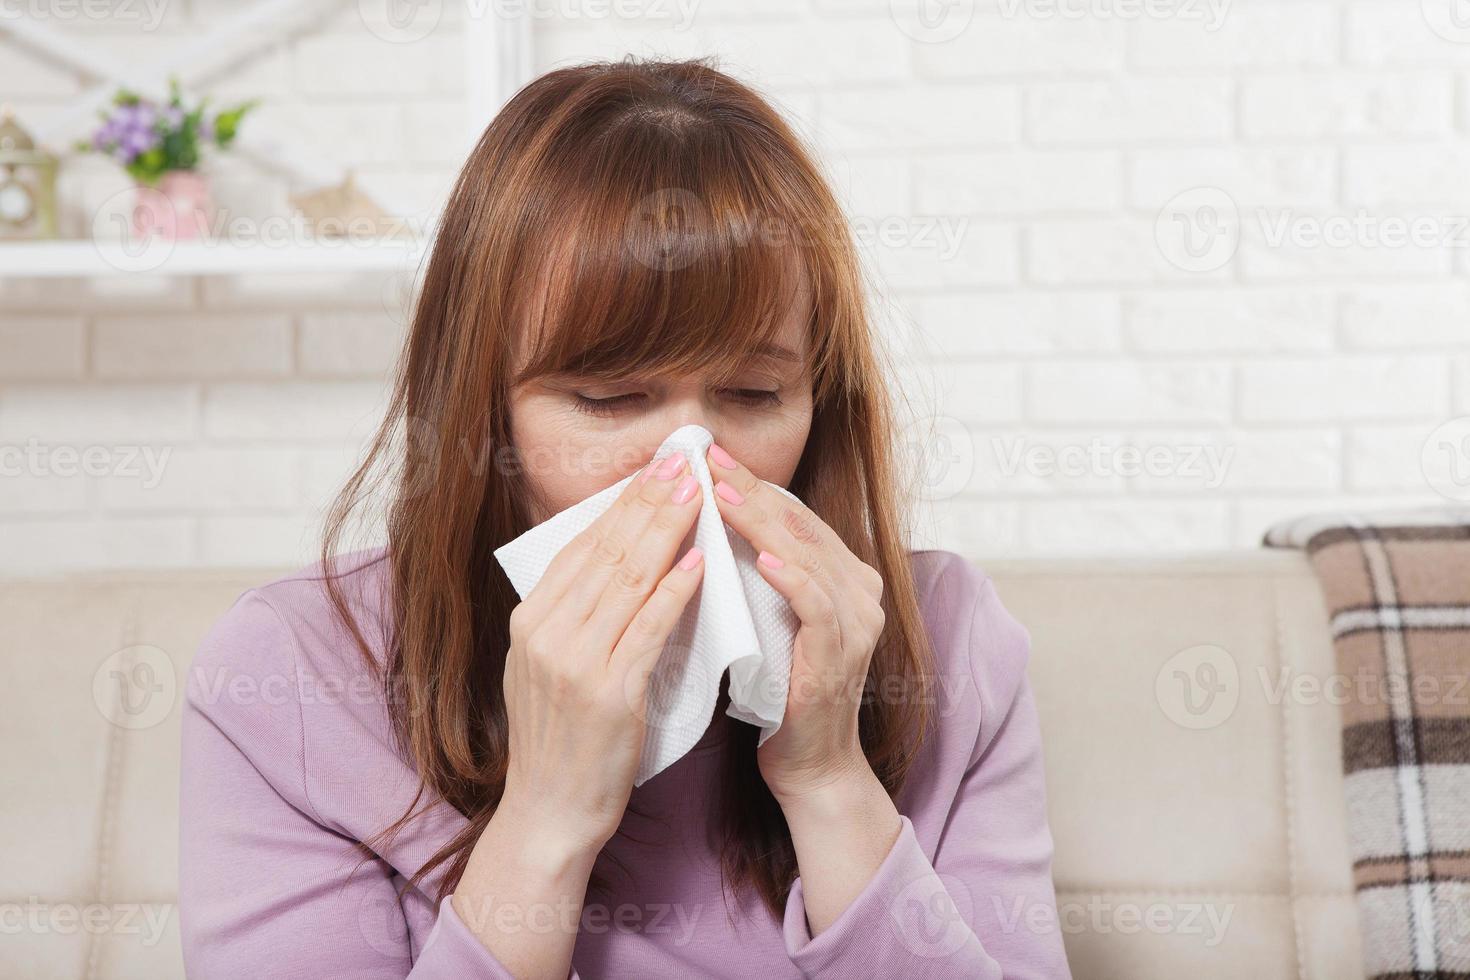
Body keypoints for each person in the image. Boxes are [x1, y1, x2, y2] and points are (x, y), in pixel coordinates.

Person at [178, 55, 1072, 979]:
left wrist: (830, 781)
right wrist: (547, 819)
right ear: (488, 410)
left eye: (754, 392)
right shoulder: (294, 674)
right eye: (607, 397)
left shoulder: (950, 637)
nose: (686, 460)